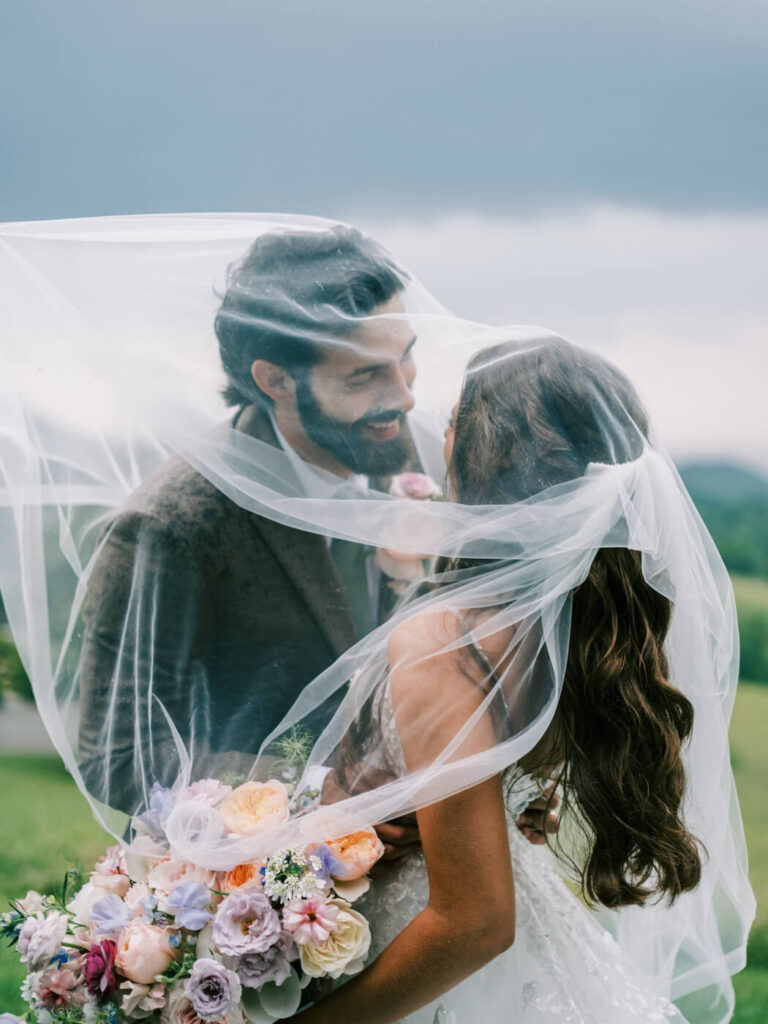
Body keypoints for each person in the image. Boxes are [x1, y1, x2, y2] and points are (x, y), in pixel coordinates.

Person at [283, 336, 749, 1023]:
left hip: (438, 972)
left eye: (452, 422)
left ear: (477, 454)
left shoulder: (446, 643)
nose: (436, 436)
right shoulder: (572, 627)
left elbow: (475, 923)